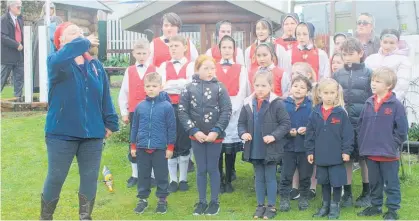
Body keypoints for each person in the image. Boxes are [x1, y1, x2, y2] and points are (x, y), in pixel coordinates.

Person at [40, 22, 119, 219]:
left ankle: (85, 217)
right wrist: (83, 41)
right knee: (56, 177)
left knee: (90, 178)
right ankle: (45, 217)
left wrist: (110, 122)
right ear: (60, 40)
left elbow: (104, 96)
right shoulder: (56, 62)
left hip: (92, 132)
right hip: (61, 132)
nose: (79, 35)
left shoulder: (95, 65)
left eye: (81, 33)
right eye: (72, 32)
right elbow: (64, 55)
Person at [178, 55, 232, 216]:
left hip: (216, 137)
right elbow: (182, 111)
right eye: (205, 68)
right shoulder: (188, 88)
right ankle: (201, 201)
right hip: (197, 137)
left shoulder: (220, 88)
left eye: (212, 68)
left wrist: (216, 130)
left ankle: (214, 202)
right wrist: (194, 131)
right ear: (197, 69)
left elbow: (226, 110)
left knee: (213, 168)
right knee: (201, 169)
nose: (210, 72)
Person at [238, 71, 291, 219]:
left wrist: (273, 136)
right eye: (257, 85)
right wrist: (243, 133)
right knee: (259, 177)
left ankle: (271, 206)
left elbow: (285, 123)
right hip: (255, 147)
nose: (260, 88)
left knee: (270, 177)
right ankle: (260, 205)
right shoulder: (248, 103)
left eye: (263, 85)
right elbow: (241, 123)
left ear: (271, 86)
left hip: (270, 148)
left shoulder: (277, 103)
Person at [357, 67, 408, 221]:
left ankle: (392, 210)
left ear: (388, 85)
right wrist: (363, 142)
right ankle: (376, 206)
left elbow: (402, 130)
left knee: (391, 184)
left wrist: (393, 144)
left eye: (378, 81)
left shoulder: (396, 105)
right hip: (371, 152)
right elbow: (361, 125)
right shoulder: (368, 102)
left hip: (389, 153)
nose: (373, 83)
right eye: (373, 80)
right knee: (375, 182)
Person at [306, 78, 354, 219]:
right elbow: (310, 134)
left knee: (336, 182)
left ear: (336, 94)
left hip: (337, 156)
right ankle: (325, 206)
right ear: (320, 94)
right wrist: (310, 151)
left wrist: (346, 151)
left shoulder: (341, 113)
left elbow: (348, 134)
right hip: (320, 156)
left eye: (332, 93)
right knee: (324, 182)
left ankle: (335, 206)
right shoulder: (315, 112)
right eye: (325, 93)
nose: (329, 96)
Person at [333, 37, 373, 209]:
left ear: (360, 53)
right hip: (344, 123)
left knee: (365, 158)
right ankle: (347, 193)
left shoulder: (369, 73)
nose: (347, 58)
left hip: (364, 122)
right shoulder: (337, 74)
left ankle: (367, 192)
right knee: (346, 157)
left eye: (351, 54)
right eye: (345, 54)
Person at [130, 72, 176, 215]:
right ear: (144, 88)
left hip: (160, 148)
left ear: (160, 87)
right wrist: (133, 145)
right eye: (148, 86)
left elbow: (172, 128)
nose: (151, 89)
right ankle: (142, 199)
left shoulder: (167, 106)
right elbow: (134, 127)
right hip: (142, 147)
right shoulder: (140, 107)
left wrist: (170, 147)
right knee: (143, 175)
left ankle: (162, 199)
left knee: (161, 175)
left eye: (154, 86)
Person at [158, 34, 195, 193]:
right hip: (168, 107)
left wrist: (171, 84)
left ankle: (183, 178)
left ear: (185, 47)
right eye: (171, 46)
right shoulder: (163, 66)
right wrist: (179, 84)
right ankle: (173, 179)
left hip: (186, 107)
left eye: (176, 45)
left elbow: (190, 84)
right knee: (171, 141)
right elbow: (161, 85)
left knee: (184, 141)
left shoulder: (191, 65)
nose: (173, 48)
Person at [118, 39, 157, 188]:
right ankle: (135, 174)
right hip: (135, 111)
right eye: (138, 53)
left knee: (152, 140)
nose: (141, 56)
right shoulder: (130, 70)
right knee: (134, 141)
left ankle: (152, 175)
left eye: (144, 53)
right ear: (134, 53)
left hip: (152, 111)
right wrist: (124, 112)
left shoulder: (154, 68)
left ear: (149, 53)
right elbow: (124, 92)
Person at [215, 35, 249, 193]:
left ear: (234, 50)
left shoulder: (241, 68)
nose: (227, 50)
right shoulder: (213, 67)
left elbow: (242, 90)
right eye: (224, 47)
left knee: (229, 149)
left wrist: (232, 109)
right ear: (219, 49)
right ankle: (219, 179)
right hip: (217, 112)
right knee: (218, 148)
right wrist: (220, 109)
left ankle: (229, 179)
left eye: (230, 47)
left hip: (234, 112)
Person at [278, 75, 313, 212]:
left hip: (305, 147)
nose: (298, 89)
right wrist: (288, 131)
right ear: (290, 88)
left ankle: (304, 197)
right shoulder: (283, 105)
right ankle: (284, 199)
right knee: (286, 175)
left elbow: (315, 125)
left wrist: (307, 130)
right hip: (288, 147)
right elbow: (279, 124)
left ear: (308, 91)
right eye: (296, 86)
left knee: (305, 175)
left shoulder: (311, 106)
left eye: (302, 87)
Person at [365, 29, 412, 102]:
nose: (388, 46)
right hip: (371, 102)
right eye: (385, 42)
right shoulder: (370, 58)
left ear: (397, 43)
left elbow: (402, 85)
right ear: (380, 42)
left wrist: (390, 101)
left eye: (392, 43)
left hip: (391, 103)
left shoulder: (403, 60)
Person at [32, 2, 63, 93]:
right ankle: (40, 86)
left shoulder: (58, 20)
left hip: (54, 48)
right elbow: (36, 38)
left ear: (54, 9)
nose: (49, 10)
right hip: (41, 50)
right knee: (42, 67)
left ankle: (55, 85)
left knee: (53, 67)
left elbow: (61, 33)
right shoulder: (39, 21)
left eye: (51, 8)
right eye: (48, 8)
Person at [1, 0, 24, 100]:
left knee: (19, 78)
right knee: (2, 78)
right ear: (10, 7)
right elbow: (2, 37)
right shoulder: (3, 19)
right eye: (18, 6)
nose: (20, 8)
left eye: (20, 6)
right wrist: (16, 45)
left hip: (19, 55)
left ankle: (17, 99)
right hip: (7, 55)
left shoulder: (20, 19)